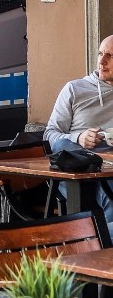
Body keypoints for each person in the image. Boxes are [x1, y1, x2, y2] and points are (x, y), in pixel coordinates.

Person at [44, 34, 113, 222]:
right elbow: (50, 134)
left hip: (110, 167)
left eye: (110, 56)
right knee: (64, 145)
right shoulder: (75, 89)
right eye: (100, 54)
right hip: (78, 170)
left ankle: (96, 242)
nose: (102, 61)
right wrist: (79, 137)